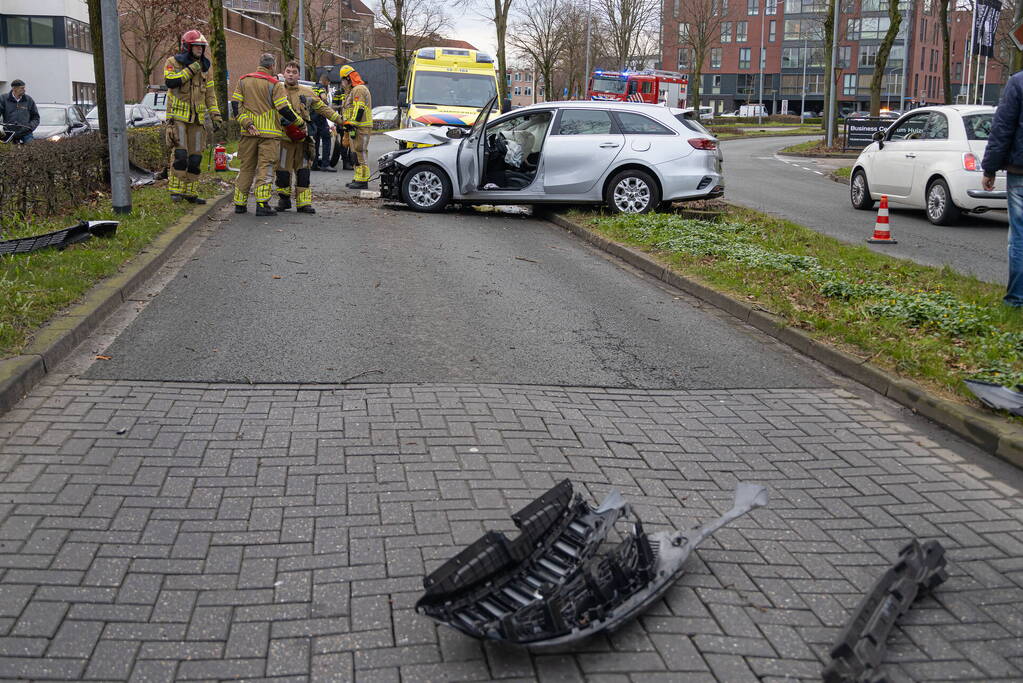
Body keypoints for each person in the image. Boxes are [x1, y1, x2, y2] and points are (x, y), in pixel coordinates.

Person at [231, 53, 304, 216]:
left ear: (260, 64)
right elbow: (283, 108)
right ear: (272, 66)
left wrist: (247, 123)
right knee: (266, 168)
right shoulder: (275, 84)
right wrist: (299, 122)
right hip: (269, 135)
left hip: (248, 133)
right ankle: (262, 205)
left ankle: (239, 204)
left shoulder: (243, 80)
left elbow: (236, 106)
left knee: (246, 168)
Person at [275, 61, 346, 214]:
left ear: (299, 75)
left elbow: (323, 108)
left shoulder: (307, 92)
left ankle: (304, 204)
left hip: (303, 140)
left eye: (294, 72)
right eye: (288, 71)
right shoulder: (277, 90)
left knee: (303, 172)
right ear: (284, 73)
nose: (291, 74)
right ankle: (284, 200)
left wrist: (340, 121)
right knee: (282, 172)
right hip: (283, 139)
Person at [163, 30, 222, 204]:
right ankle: (176, 191)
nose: (200, 49)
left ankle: (190, 193)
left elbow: (210, 94)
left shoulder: (206, 67)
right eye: (196, 46)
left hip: (198, 120)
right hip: (178, 118)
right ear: (187, 46)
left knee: (195, 158)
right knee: (181, 155)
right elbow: (170, 81)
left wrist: (216, 115)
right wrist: (190, 70)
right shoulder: (172, 62)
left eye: (202, 47)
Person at [982, 71, 1023, 308]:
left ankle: (1017, 298)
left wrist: (990, 169)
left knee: (1019, 236)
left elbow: (1003, 128)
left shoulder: (1017, 83)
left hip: (1020, 171)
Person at [338, 65, 373, 190]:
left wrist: (352, 123)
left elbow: (360, 107)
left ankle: (363, 180)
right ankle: (358, 177)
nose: (342, 83)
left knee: (360, 152)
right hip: (354, 127)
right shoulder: (352, 91)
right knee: (354, 154)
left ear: (348, 78)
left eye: (342, 80)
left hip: (360, 127)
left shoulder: (358, 89)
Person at [1, 79, 39, 144]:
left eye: (24, 88)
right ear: (14, 88)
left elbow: (36, 117)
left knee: (31, 150)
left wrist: (30, 127)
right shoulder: (3, 99)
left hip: (26, 133)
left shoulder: (28, 100)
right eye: (22, 88)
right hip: (8, 133)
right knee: (7, 152)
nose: (24, 90)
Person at [310, 76, 334, 172]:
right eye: (328, 83)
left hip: (312, 116)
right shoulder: (321, 87)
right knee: (326, 138)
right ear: (325, 81)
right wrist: (326, 104)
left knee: (315, 141)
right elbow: (323, 98)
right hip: (320, 116)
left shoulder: (312, 87)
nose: (328, 85)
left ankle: (314, 164)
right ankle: (325, 164)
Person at [330, 86, 354, 171]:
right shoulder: (339, 92)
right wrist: (342, 107)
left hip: (353, 122)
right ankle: (345, 163)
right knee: (344, 143)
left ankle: (352, 161)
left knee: (353, 141)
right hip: (343, 121)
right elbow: (333, 106)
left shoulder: (354, 91)